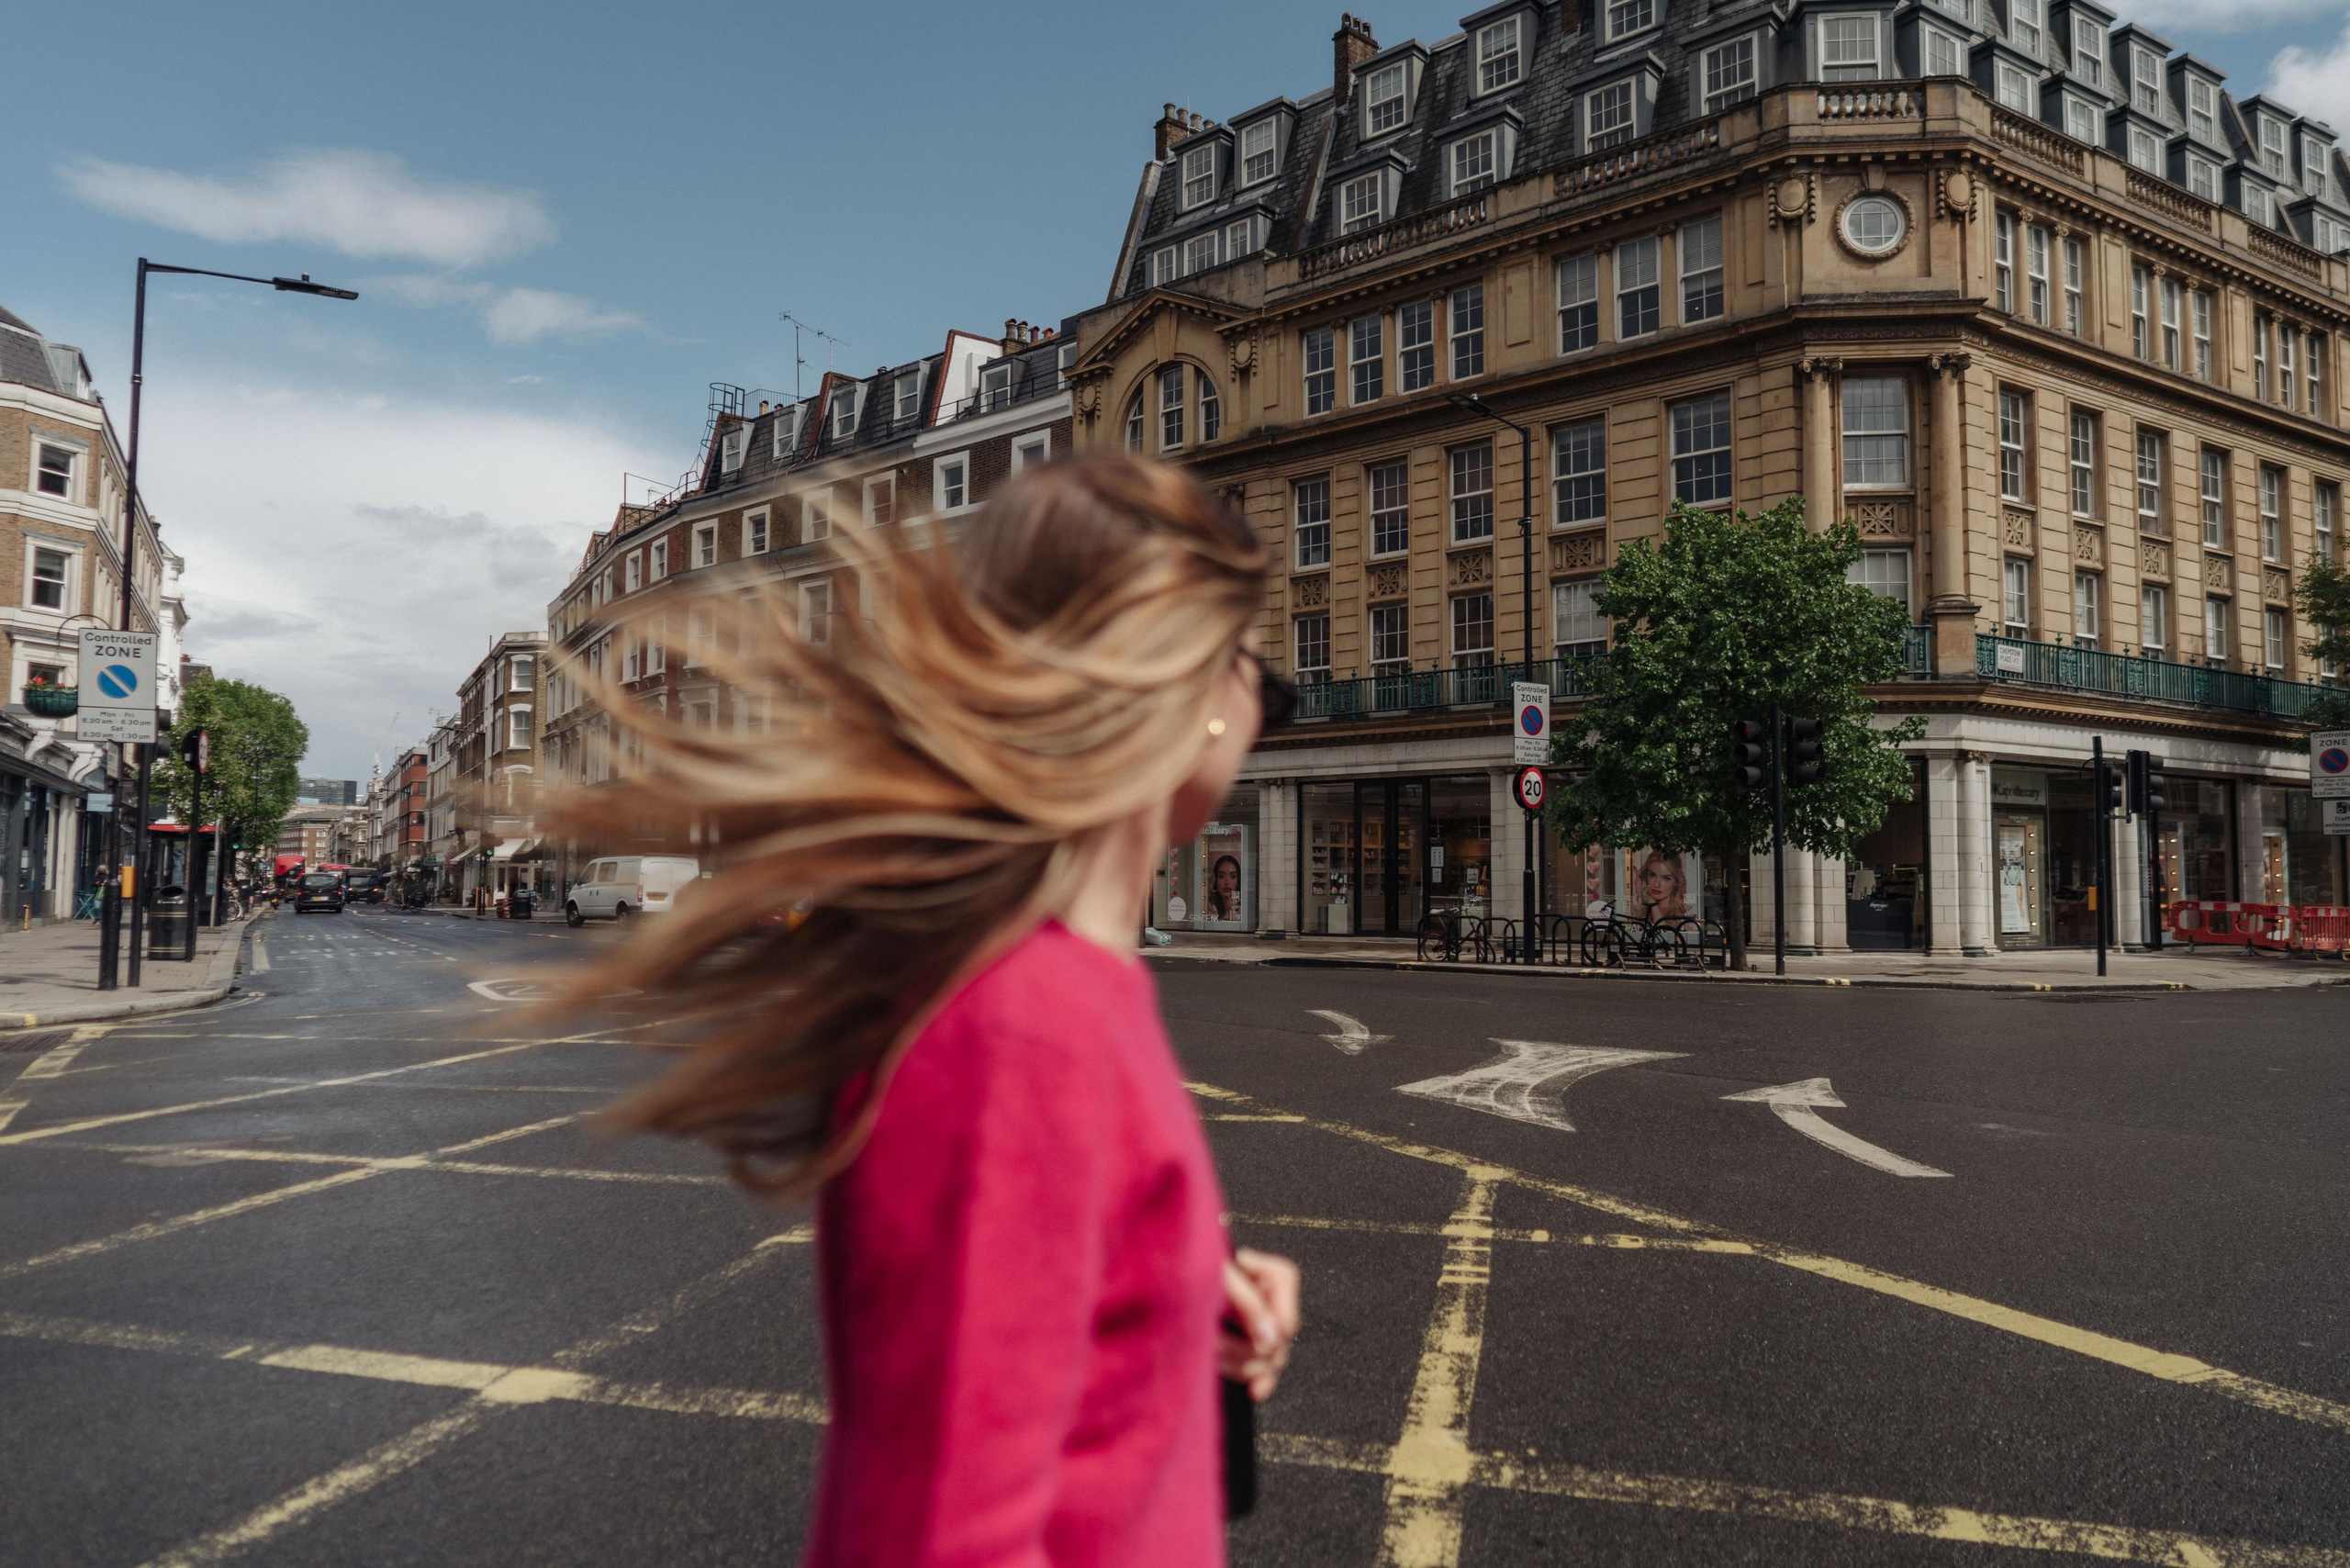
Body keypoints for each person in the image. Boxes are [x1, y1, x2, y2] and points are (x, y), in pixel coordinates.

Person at [557, 455, 1302, 1566]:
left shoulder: (1067, 988)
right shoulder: (1019, 1024)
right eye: (1254, 665)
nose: (1264, 703)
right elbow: (944, 1531)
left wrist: (1184, 1294)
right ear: (1189, 682)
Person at [1633, 848, 1688, 923]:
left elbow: (1661, 930)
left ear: (1676, 881)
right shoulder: (1642, 907)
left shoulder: (1680, 911)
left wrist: (1651, 901)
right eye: (1652, 875)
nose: (1656, 884)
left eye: (1666, 878)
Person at [1206, 853, 1243, 923]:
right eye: (1221, 876)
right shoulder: (1210, 908)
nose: (1227, 882)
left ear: (1238, 880)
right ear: (1216, 879)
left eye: (1233, 877)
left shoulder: (1244, 909)